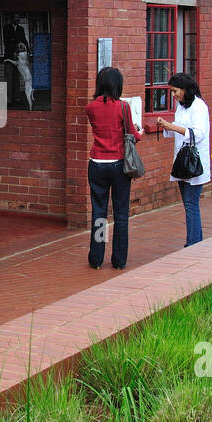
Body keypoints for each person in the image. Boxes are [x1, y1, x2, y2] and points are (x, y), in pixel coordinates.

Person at [85, 66, 140, 269]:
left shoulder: (90, 108)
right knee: (121, 213)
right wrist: (139, 132)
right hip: (119, 165)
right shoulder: (123, 107)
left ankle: (96, 258)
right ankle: (118, 260)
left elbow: (99, 127)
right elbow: (133, 134)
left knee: (99, 212)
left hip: (97, 164)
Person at [158, 72, 210, 247]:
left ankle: (193, 244)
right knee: (189, 204)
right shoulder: (182, 106)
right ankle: (196, 241)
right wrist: (166, 126)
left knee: (191, 204)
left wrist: (172, 126)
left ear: (185, 89)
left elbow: (198, 133)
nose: (173, 96)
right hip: (182, 162)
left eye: (175, 91)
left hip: (194, 162)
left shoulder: (199, 107)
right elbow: (178, 129)